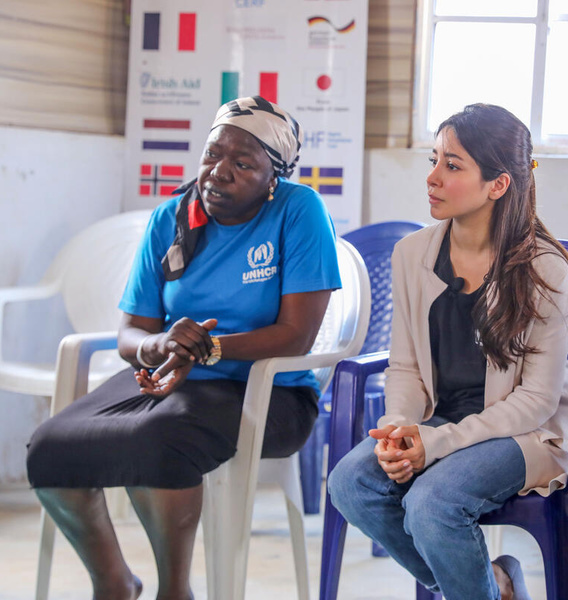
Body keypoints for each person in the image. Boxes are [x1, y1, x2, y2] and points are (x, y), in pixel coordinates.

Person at [26, 96, 341, 600]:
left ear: (272, 177)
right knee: (49, 450)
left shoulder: (298, 211)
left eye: (243, 164)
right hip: (172, 382)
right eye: (213, 155)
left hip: (270, 395)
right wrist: (159, 346)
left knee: (159, 441)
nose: (219, 172)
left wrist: (204, 350)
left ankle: (175, 590)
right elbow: (132, 332)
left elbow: (296, 336)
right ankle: (114, 583)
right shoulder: (171, 218)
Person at [327, 103, 568, 600]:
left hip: (523, 434)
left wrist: (436, 445)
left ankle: (481, 588)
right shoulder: (412, 253)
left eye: (453, 165)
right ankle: (491, 584)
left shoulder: (543, 268)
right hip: (437, 421)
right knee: (350, 484)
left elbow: (536, 401)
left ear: (498, 185)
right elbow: (404, 364)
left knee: (432, 503)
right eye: (433, 159)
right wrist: (401, 427)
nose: (433, 177)